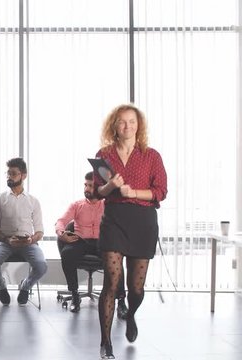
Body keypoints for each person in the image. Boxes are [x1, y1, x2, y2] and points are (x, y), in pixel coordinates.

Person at [94, 104, 167, 359]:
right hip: (114, 220)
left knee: (136, 288)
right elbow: (96, 192)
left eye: (132, 122)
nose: (128, 126)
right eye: (122, 122)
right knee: (111, 282)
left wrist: (133, 192)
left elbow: (161, 192)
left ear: (139, 125)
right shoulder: (104, 155)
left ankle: (132, 314)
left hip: (143, 222)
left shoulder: (152, 156)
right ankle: (105, 343)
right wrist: (109, 187)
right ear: (114, 125)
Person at [55, 172, 127, 315]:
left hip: (102, 242)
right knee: (67, 253)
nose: (87, 189)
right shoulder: (77, 205)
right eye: (85, 185)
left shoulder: (108, 205)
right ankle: (75, 295)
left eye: (90, 186)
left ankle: (121, 301)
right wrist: (62, 234)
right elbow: (61, 221)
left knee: (116, 260)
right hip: (81, 241)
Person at [0, 158, 47, 306]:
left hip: (28, 243)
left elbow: (39, 231)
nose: (9, 177)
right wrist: (7, 240)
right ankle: (1, 286)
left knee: (41, 266)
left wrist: (31, 240)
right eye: (8, 174)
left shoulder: (33, 201)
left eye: (13, 174)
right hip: (5, 242)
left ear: (23, 176)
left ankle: (25, 286)